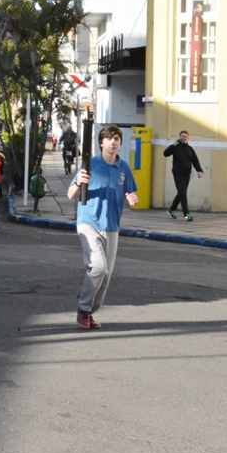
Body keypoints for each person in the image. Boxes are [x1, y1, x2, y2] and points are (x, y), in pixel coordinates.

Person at [68, 125, 139, 329]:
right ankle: (83, 308)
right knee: (98, 267)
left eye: (117, 139)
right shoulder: (90, 164)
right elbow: (70, 194)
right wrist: (78, 182)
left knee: (106, 274)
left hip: (112, 226)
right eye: (109, 139)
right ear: (101, 143)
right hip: (88, 222)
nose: (113, 142)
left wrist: (132, 199)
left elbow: (129, 195)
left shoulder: (123, 168)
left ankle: (89, 311)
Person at [164, 130, 203, 222]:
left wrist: (199, 170)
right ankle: (186, 214)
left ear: (188, 138)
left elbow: (195, 161)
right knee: (183, 193)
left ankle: (172, 209)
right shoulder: (175, 147)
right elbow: (165, 154)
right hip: (178, 174)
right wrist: (173, 145)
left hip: (186, 174)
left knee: (181, 193)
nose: (184, 138)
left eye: (185, 136)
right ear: (179, 137)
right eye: (182, 136)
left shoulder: (190, 149)